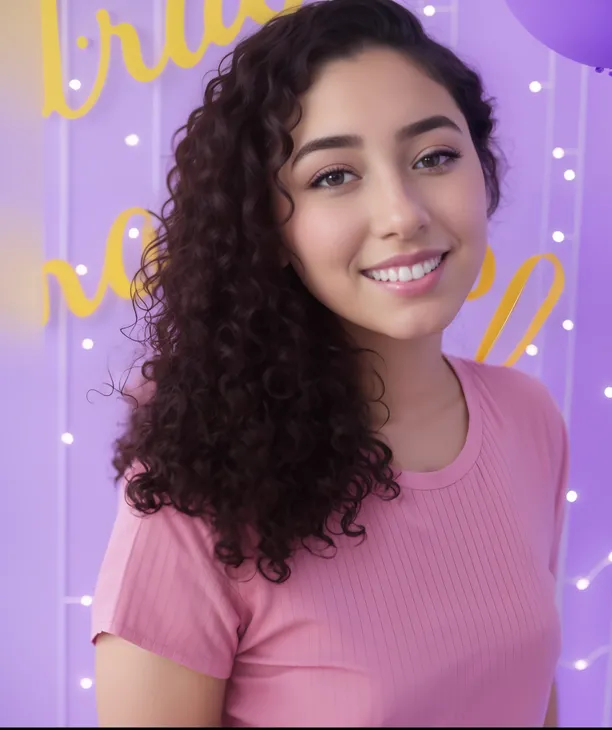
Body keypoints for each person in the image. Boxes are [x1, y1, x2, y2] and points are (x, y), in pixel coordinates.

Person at [92, 0, 569, 726]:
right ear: (268, 226)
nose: (403, 212)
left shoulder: (528, 419)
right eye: (334, 176)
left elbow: (533, 694)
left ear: (484, 170)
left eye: (434, 156)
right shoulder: (196, 487)